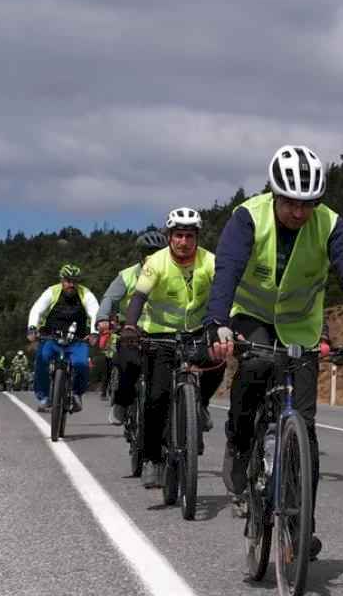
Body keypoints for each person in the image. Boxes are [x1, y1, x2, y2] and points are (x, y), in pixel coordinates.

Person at [205, 144, 343, 560]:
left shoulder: (331, 225)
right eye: (291, 203)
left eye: (309, 204)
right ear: (274, 193)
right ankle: (239, 439)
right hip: (250, 316)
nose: (300, 212)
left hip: (300, 325)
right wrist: (218, 321)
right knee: (258, 364)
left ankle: (301, 525)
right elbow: (227, 270)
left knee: (304, 425)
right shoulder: (248, 218)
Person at [119, 207, 225, 488]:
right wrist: (130, 326)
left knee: (219, 357)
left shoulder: (210, 261)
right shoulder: (156, 262)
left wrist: (227, 325)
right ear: (169, 237)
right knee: (156, 398)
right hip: (160, 336)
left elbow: (226, 293)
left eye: (189, 236)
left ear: (197, 237)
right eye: (178, 235)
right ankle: (153, 459)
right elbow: (139, 297)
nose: (184, 242)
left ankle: (199, 405)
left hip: (198, 332)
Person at [97, 230, 169, 425]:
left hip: (162, 331)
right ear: (141, 255)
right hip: (131, 332)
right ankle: (121, 403)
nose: (153, 256)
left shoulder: (171, 273)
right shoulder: (127, 275)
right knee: (128, 364)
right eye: (149, 252)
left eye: (158, 252)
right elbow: (109, 299)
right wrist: (102, 318)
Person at [26, 264, 100, 412]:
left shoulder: (85, 293)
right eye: (68, 280)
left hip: (77, 339)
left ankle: (76, 394)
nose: (71, 284)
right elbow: (37, 309)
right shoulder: (52, 291)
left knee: (81, 364)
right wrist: (32, 327)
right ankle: (44, 397)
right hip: (51, 337)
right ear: (62, 280)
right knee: (42, 359)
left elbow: (95, 312)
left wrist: (94, 332)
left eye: (74, 281)